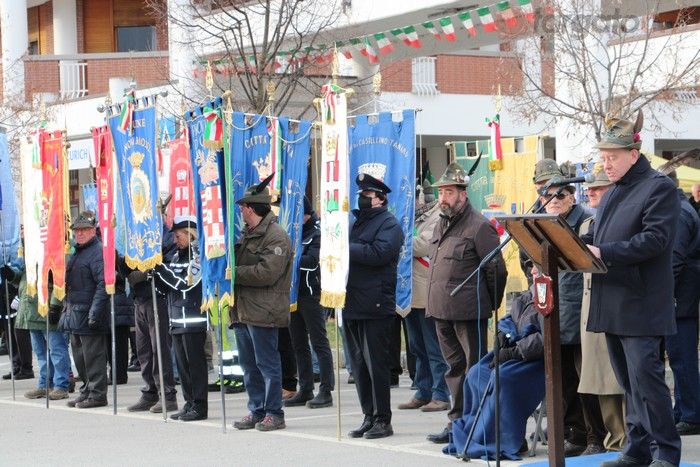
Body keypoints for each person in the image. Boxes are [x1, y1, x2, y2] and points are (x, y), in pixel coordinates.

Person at [582, 112, 682, 467]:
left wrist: (603, 252)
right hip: (613, 300)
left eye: (612, 157)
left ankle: (666, 451)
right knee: (629, 383)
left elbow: (655, 240)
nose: (605, 164)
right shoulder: (613, 193)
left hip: (641, 303)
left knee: (647, 382)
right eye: (603, 157)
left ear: (633, 154)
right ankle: (638, 449)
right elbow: (598, 236)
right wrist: (577, 243)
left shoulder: (659, 188)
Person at [425, 163, 508, 444]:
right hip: (440, 309)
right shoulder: (441, 222)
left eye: (449, 192)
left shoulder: (479, 226)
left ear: (463, 194)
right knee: (454, 369)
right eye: (441, 192)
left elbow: (496, 270)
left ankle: (475, 423)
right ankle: (457, 422)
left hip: (468, 312)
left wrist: (488, 304)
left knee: (474, 369)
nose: (443, 198)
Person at [539, 182, 604, 456]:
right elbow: (530, 260)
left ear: (572, 197)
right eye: (547, 195)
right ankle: (572, 433)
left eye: (560, 195)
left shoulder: (586, 220)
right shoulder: (541, 223)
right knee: (564, 382)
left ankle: (594, 437)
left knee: (586, 380)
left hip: (580, 312)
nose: (553, 200)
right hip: (554, 310)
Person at [445, 286, 545, 460]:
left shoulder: (549, 294)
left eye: (537, 270)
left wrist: (515, 351)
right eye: (531, 270)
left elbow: (548, 336)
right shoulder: (526, 296)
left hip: (535, 360)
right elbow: (511, 319)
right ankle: (478, 434)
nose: (533, 272)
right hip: (514, 351)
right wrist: (502, 332)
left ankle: (505, 438)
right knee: (476, 373)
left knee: (501, 378)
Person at [344, 172, 403, 440]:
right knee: (358, 365)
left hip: (375, 302)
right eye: (361, 195)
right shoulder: (357, 223)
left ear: (380, 199)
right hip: (353, 301)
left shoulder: (389, 224)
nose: (362, 199)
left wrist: (346, 248)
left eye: (367, 195)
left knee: (376, 364)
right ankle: (368, 415)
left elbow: (380, 253)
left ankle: (382, 419)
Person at [231, 176, 293, 432]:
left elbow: (267, 273)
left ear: (251, 208)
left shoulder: (276, 236)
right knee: (249, 366)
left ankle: (274, 412)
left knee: (267, 365)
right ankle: (256, 409)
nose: (240, 210)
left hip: (264, 310)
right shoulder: (247, 233)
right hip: (243, 309)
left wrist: (233, 273)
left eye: (243, 206)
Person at [578, 164, 626, 452]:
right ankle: (614, 438)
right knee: (599, 379)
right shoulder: (587, 225)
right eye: (590, 188)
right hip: (591, 308)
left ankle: (629, 440)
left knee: (619, 378)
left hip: (617, 306)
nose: (591, 192)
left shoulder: (623, 220)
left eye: (598, 188)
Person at [398, 185, 449, 413]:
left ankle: (440, 393)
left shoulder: (437, 217)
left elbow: (423, 246)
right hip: (409, 292)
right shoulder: (413, 218)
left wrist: (397, 237)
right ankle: (423, 390)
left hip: (426, 291)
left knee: (433, 347)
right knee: (417, 346)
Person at [154, 215, 207, 421]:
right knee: (183, 367)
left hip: (193, 319)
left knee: (195, 366)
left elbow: (185, 284)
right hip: (175, 318)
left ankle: (200, 406)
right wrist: (156, 277)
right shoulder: (176, 257)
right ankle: (189, 402)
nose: (176, 240)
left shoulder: (198, 256)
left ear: (190, 234)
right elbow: (168, 288)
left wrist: (161, 270)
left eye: (179, 236)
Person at [122, 225, 178, 415]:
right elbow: (127, 267)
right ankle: (150, 392)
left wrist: (144, 273)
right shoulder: (136, 233)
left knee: (160, 349)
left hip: (158, 298)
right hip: (140, 298)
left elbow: (168, 266)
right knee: (144, 350)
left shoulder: (165, 235)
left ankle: (167, 394)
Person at [286, 196, 335, 409]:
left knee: (319, 342)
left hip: (312, 294)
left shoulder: (317, 233)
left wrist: (289, 258)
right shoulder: (292, 233)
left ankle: (326, 389)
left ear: (305, 215)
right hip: (293, 294)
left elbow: (313, 262)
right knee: (298, 343)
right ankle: (305, 388)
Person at [61, 211, 110, 409]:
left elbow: (103, 284)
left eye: (84, 230)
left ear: (92, 231)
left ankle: (98, 394)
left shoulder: (97, 251)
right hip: (75, 313)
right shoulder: (77, 252)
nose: (79, 233)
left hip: (90, 312)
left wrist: (95, 312)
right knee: (80, 358)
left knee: (93, 357)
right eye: (77, 230)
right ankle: (87, 390)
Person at [665, 172, 700, 436]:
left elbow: (674, 260)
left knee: (682, 357)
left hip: (680, 296)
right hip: (683, 294)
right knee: (680, 356)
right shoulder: (680, 208)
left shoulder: (677, 213)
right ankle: (684, 411)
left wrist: (664, 294)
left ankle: (691, 414)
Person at [10, 260, 71, 400]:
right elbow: (25, 279)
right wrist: (12, 275)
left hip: (46, 308)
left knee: (56, 350)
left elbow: (59, 279)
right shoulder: (31, 254)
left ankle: (61, 385)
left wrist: (55, 305)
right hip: (31, 309)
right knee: (41, 353)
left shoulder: (50, 252)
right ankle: (45, 384)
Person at [519, 159, 563, 282]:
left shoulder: (570, 210)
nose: (548, 186)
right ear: (536, 186)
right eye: (543, 183)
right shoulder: (531, 219)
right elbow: (525, 260)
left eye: (552, 182)